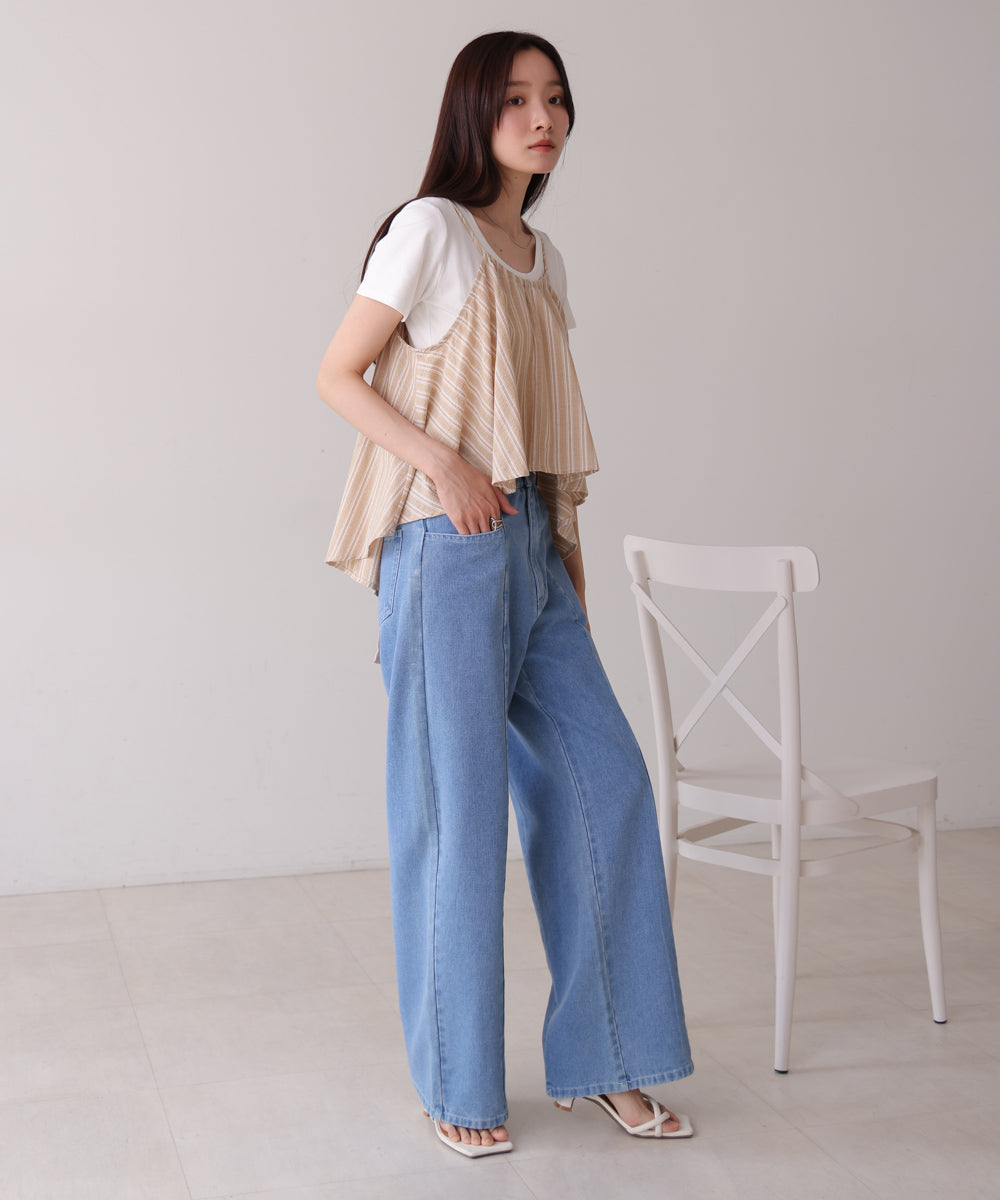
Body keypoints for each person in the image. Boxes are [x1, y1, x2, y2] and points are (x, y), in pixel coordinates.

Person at [316, 30, 693, 1157]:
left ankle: (606, 1057)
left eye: (556, 99)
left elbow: (543, 417)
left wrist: (563, 548)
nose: (543, 117)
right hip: (446, 546)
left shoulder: (542, 256)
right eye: (518, 98)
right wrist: (443, 466)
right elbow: (337, 373)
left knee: (606, 785)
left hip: (530, 546)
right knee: (457, 818)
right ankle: (459, 1082)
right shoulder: (429, 229)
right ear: (474, 112)